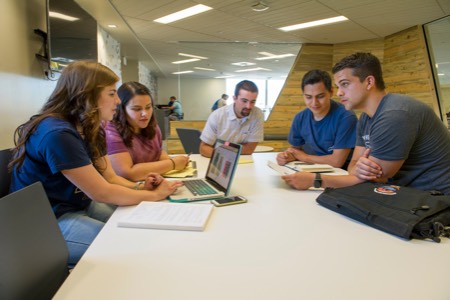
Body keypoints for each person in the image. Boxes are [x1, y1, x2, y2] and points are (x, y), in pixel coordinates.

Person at [9, 61, 183, 267]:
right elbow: (101, 193)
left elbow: (109, 178)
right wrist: (154, 195)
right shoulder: (57, 133)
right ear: (86, 95)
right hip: (46, 221)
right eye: (111, 93)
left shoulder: (92, 127)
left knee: (135, 229)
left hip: (76, 205)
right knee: (126, 247)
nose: (118, 100)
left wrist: (139, 187)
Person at [282, 52, 450, 195]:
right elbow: (353, 168)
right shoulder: (366, 117)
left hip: (435, 199)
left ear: (369, 82)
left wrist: (315, 180)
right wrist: (359, 168)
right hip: (406, 194)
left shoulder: (394, 115)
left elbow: (375, 177)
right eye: (338, 86)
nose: (339, 92)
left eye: (345, 84)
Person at [105, 82, 190, 181]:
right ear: (122, 110)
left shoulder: (153, 127)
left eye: (148, 107)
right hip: (130, 191)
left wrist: (172, 162)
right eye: (137, 109)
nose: (145, 114)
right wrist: (172, 163)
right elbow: (127, 173)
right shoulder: (111, 132)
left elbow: (159, 153)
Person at [276, 70, 357, 169]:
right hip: (310, 169)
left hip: (341, 173)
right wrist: (286, 156)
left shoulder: (346, 117)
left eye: (320, 96)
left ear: (331, 92)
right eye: (308, 97)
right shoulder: (300, 118)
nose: (314, 103)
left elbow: (337, 162)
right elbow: (295, 151)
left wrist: (305, 157)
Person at [200, 80, 264, 157]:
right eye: (244, 101)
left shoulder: (257, 114)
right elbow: (203, 148)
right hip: (218, 161)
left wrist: (220, 149)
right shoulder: (217, 115)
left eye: (253, 102)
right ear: (234, 98)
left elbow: (249, 149)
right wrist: (228, 154)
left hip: (243, 162)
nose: (249, 106)